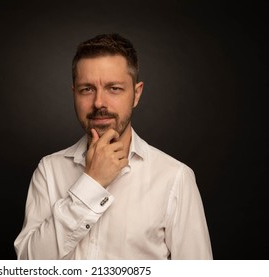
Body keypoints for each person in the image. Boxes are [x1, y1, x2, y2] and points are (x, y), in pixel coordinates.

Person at [14, 33, 212, 260]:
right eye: (87, 89)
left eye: (114, 88)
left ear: (136, 94)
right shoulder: (49, 170)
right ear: (74, 94)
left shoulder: (175, 178)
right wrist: (92, 183)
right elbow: (28, 265)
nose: (99, 103)